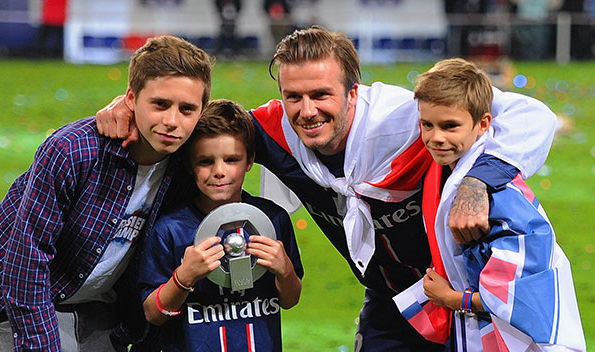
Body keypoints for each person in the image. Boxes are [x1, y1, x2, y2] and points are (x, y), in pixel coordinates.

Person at [95, 26, 556, 351]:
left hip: (462, 295)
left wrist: (477, 181)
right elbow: (208, 124)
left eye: (321, 95)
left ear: (353, 92)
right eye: (293, 95)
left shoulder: (407, 117)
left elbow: (533, 116)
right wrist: (130, 105)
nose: (307, 110)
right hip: (389, 301)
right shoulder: (273, 132)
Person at [0, 35, 212, 351]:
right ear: (130, 98)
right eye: (160, 104)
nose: (171, 121)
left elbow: (237, 132)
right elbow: (27, 259)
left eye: (187, 109)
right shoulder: (72, 151)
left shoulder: (188, 161)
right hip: (28, 300)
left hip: (101, 309)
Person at [396, 58, 585, 351]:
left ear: (484, 124)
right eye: (427, 125)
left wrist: (450, 299)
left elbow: (524, 296)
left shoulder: (499, 196)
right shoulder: (452, 172)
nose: (436, 137)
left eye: (450, 126)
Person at [137, 99, 303, 351]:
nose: (219, 171)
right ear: (190, 165)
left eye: (232, 159)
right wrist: (184, 278)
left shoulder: (273, 220)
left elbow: (290, 300)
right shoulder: (170, 229)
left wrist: (285, 271)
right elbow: (153, 313)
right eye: (205, 161)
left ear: (249, 161)